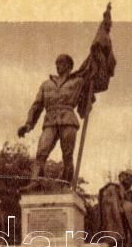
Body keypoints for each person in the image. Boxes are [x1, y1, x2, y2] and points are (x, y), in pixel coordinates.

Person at [18, 54, 86, 191]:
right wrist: (28, 124)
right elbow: (37, 106)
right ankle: (35, 181)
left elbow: (90, 86)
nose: (57, 66)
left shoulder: (78, 82)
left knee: (67, 155)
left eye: (61, 63)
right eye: (56, 63)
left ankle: (66, 183)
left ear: (69, 66)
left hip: (68, 119)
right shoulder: (46, 84)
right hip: (50, 121)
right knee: (41, 151)